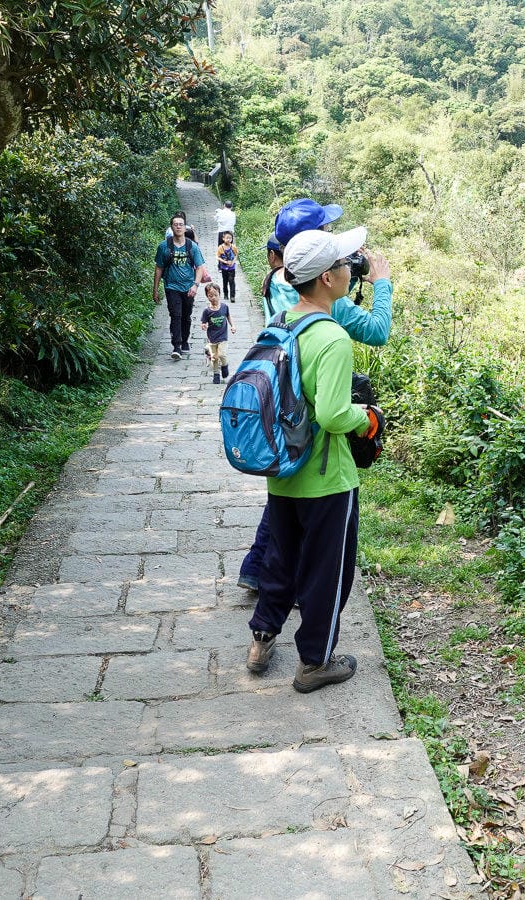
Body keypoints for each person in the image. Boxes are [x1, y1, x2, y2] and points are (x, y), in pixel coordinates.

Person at [245, 227, 381, 693]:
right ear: (326, 278)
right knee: (328, 571)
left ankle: (262, 638)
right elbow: (332, 413)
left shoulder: (280, 322)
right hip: (326, 479)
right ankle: (315, 663)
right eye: (344, 265)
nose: (350, 270)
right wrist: (367, 418)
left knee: (281, 559)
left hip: (282, 471)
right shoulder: (333, 337)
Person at [237, 201, 393, 592]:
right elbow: (377, 331)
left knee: (283, 507)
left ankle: (258, 572)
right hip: (315, 436)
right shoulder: (329, 310)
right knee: (309, 514)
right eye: (326, 231)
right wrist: (382, 284)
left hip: (280, 410)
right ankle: (288, 586)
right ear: (323, 272)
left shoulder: (276, 281)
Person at [153, 214, 210, 360]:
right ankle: (176, 346)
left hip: (188, 287)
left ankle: (184, 340)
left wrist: (195, 285)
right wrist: (155, 289)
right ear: (171, 227)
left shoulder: (192, 247)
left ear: (185, 228)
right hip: (171, 286)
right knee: (175, 315)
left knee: (186, 315)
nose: (178, 226)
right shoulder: (164, 246)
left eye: (181, 224)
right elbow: (159, 268)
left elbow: (199, 267)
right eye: (175, 224)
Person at [199, 282, 235, 384]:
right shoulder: (207, 311)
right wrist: (204, 326)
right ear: (207, 296)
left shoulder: (224, 307)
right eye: (210, 296)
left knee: (222, 354)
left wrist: (233, 326)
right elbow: (203, 322)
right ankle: (216, 374)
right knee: (214, 357)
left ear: (219, 294)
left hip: (223, 336)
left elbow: (228, 316)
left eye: (216, 295)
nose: (213, 298)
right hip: (212, 338)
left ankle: (224, 366)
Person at [216, 231, 238, 303]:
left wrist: (233, 262)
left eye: (230, 238)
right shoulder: (221, 247)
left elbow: (236, 255)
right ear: (223, 238)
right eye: (227, 238)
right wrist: (224, 262)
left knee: (232, 281)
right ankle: (225, 293)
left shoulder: (233, 247)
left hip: (232, 267)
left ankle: (232, 296)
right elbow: (218, 257)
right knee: (225, 281)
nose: (228, 240)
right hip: (224, 267)